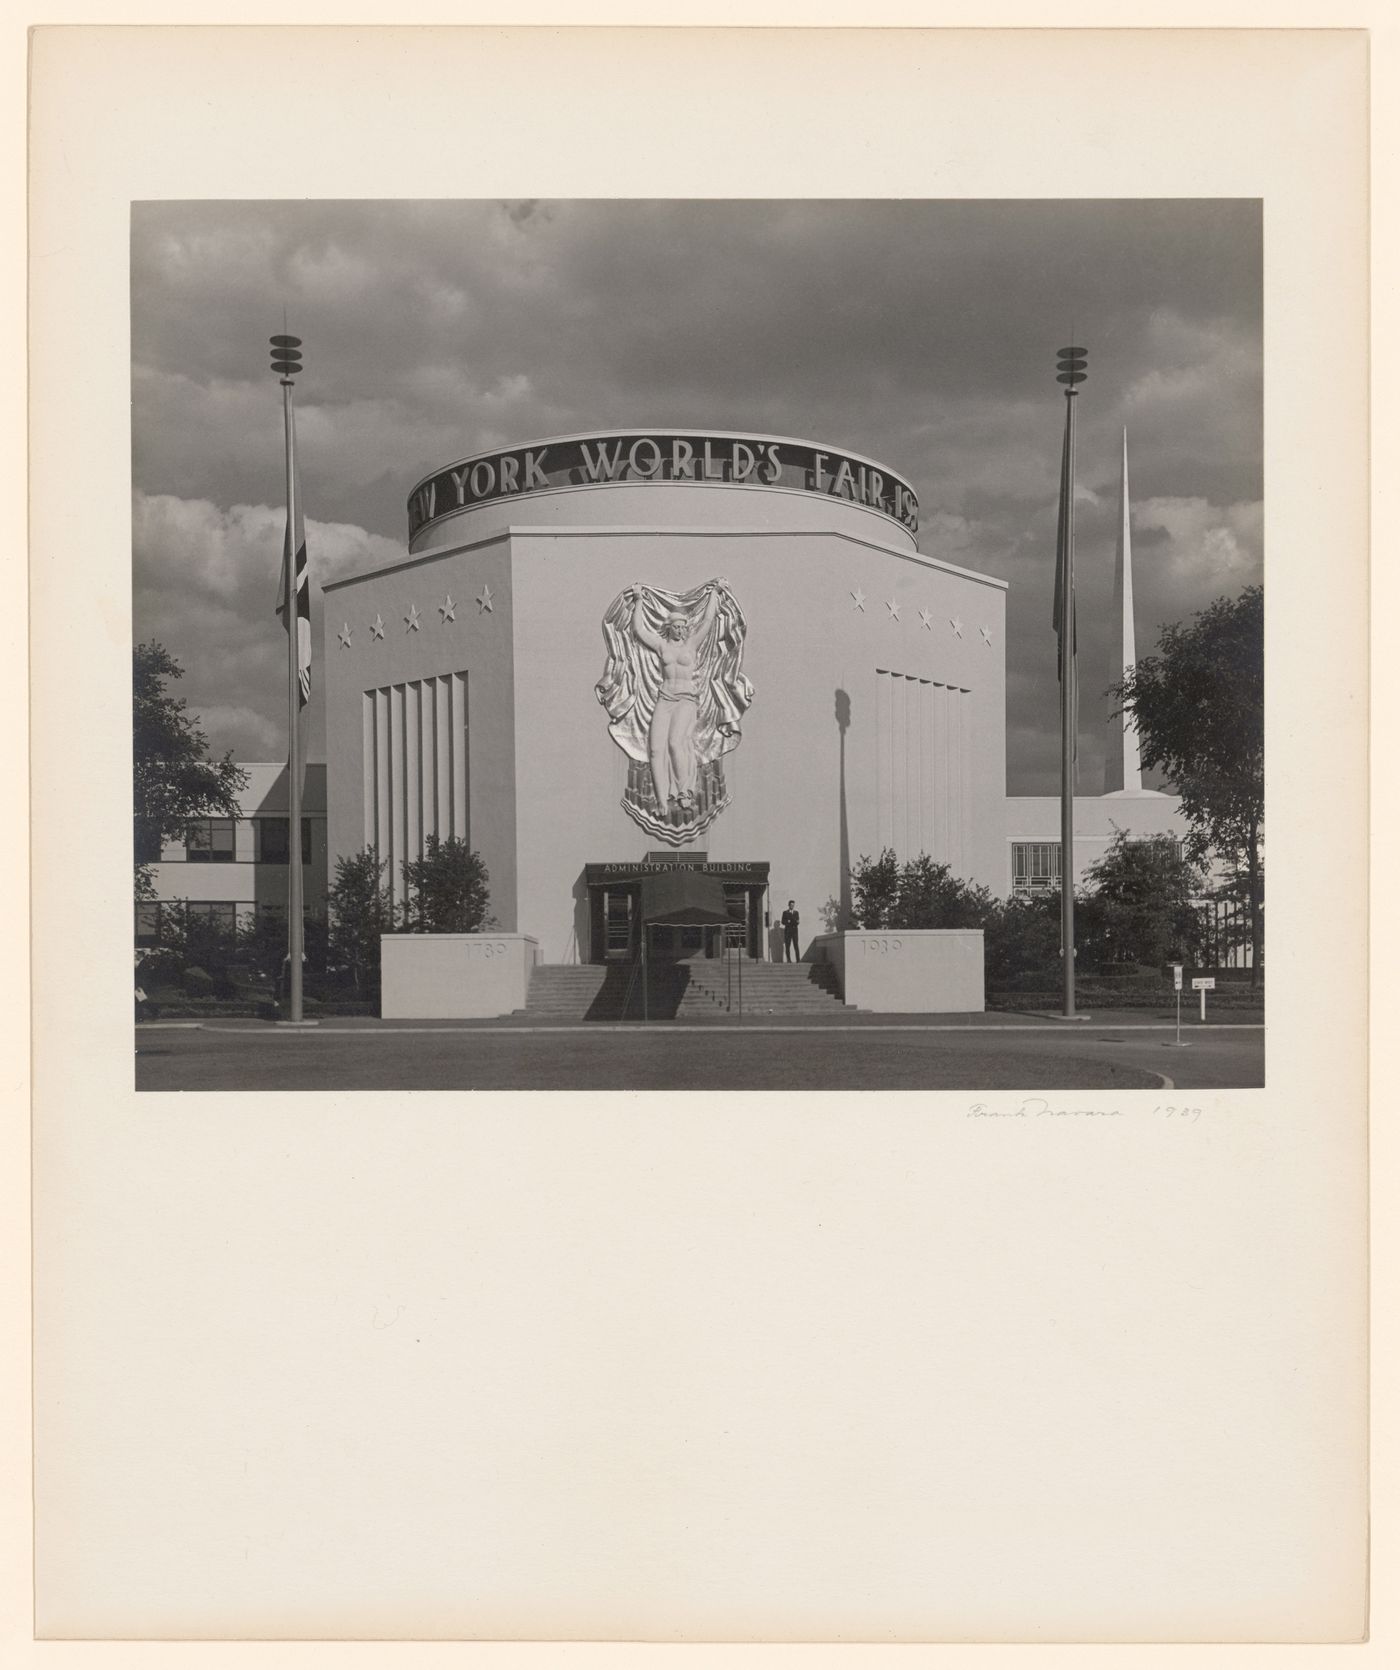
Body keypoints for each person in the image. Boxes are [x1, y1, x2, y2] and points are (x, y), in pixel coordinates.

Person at [626, 580, 722, 816]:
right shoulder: (661, 646)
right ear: (669, 628)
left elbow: (708, 622)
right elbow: (638, 630)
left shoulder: (691, 645)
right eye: (676, 627)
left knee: (674, 742)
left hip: (686, 700)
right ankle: (661, 800)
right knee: (656, 749)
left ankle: (684, 792)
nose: (680, 630)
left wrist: (715, 594)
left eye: (682, 627)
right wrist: (638, 600)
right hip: (666, 698)